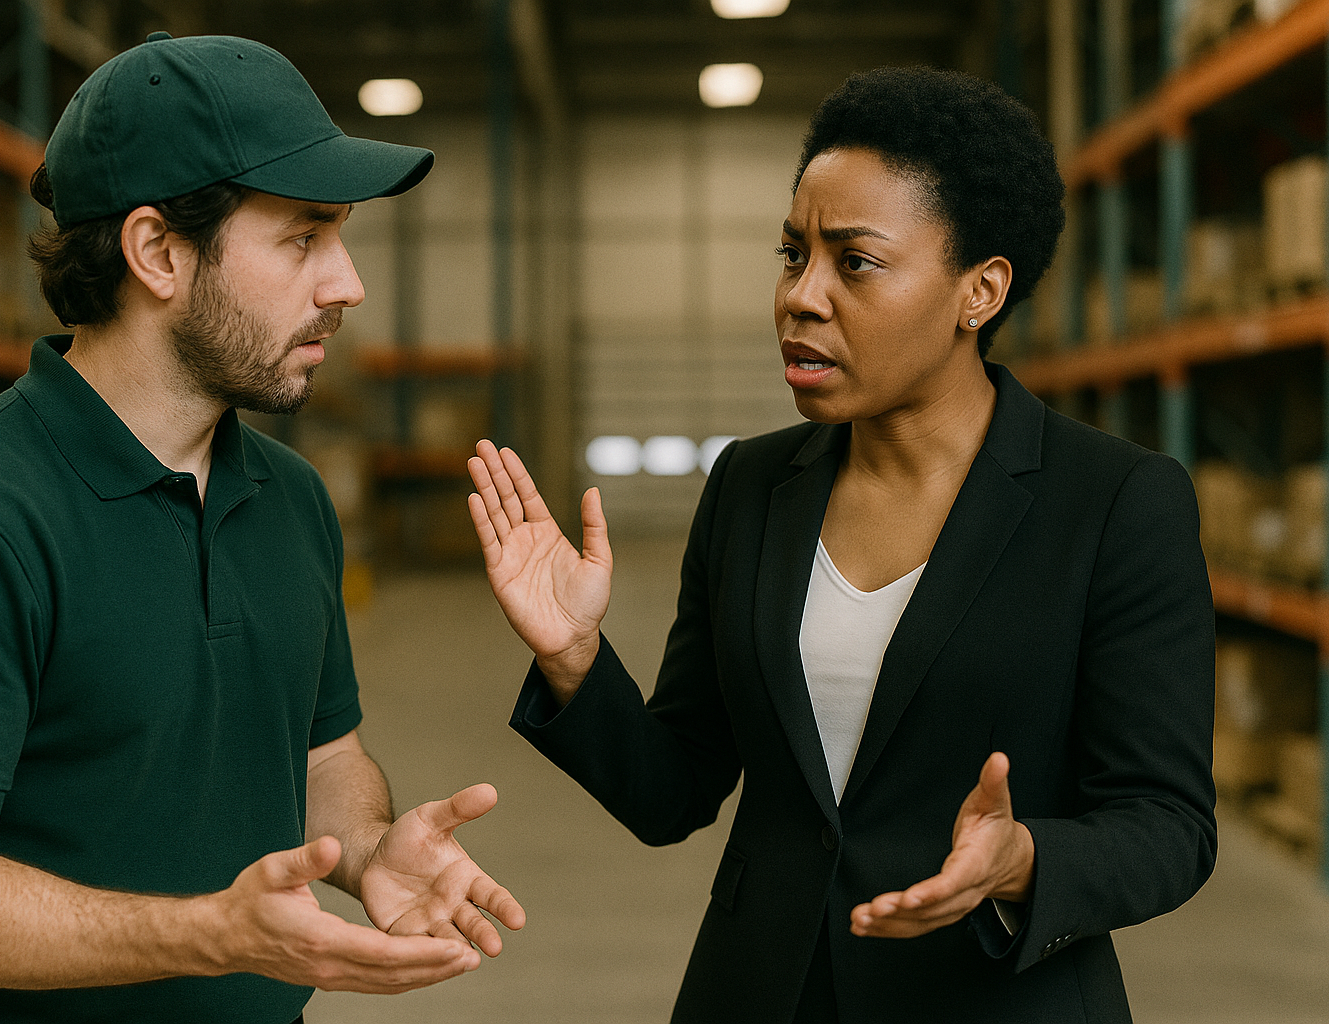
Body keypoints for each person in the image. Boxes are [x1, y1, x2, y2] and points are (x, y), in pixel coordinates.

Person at [467, 66, 1215, 1022]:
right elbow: (675, 790)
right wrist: (574, 659)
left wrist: (1025, 862)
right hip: (760, 996)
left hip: (990, 999)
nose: (801, 297)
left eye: (854, 261)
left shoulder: (1115, 504)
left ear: (978, 291)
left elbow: (1168, 824)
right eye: (792, 255)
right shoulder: (750, 485)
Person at [0, 31, 524, 1024]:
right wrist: (208, 932)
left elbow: (323, 757)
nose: (347, 285)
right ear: (157, 251)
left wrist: (370, 845)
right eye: (302, 237)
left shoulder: (289, 498)